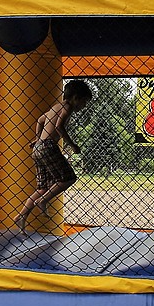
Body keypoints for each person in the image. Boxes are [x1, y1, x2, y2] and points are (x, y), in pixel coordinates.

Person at [18, 79, 94, 232]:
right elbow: (59, 126)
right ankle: (43, 201)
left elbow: (40, 120)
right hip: (48, 147)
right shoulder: (68, 107)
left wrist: (38, 138)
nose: (84, 106)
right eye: (84, 102)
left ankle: (21, 216)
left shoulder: (56, 107)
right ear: (75, 98)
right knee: (68, 178)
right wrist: (72, 145)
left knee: (42, 187)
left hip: (38, 148)